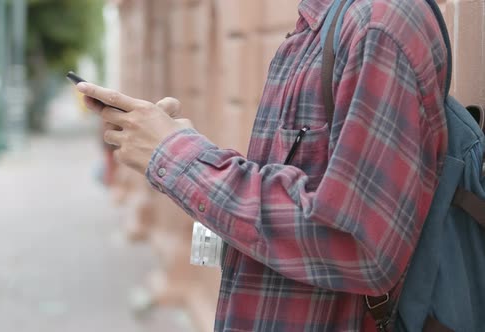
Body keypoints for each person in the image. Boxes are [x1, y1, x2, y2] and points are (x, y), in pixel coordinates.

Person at [77, 0, 448, 330]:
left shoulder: (377, 23)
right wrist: (183, 148)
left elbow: (359, 242)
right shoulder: (326, 22)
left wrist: (179, 157)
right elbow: (297, 188)